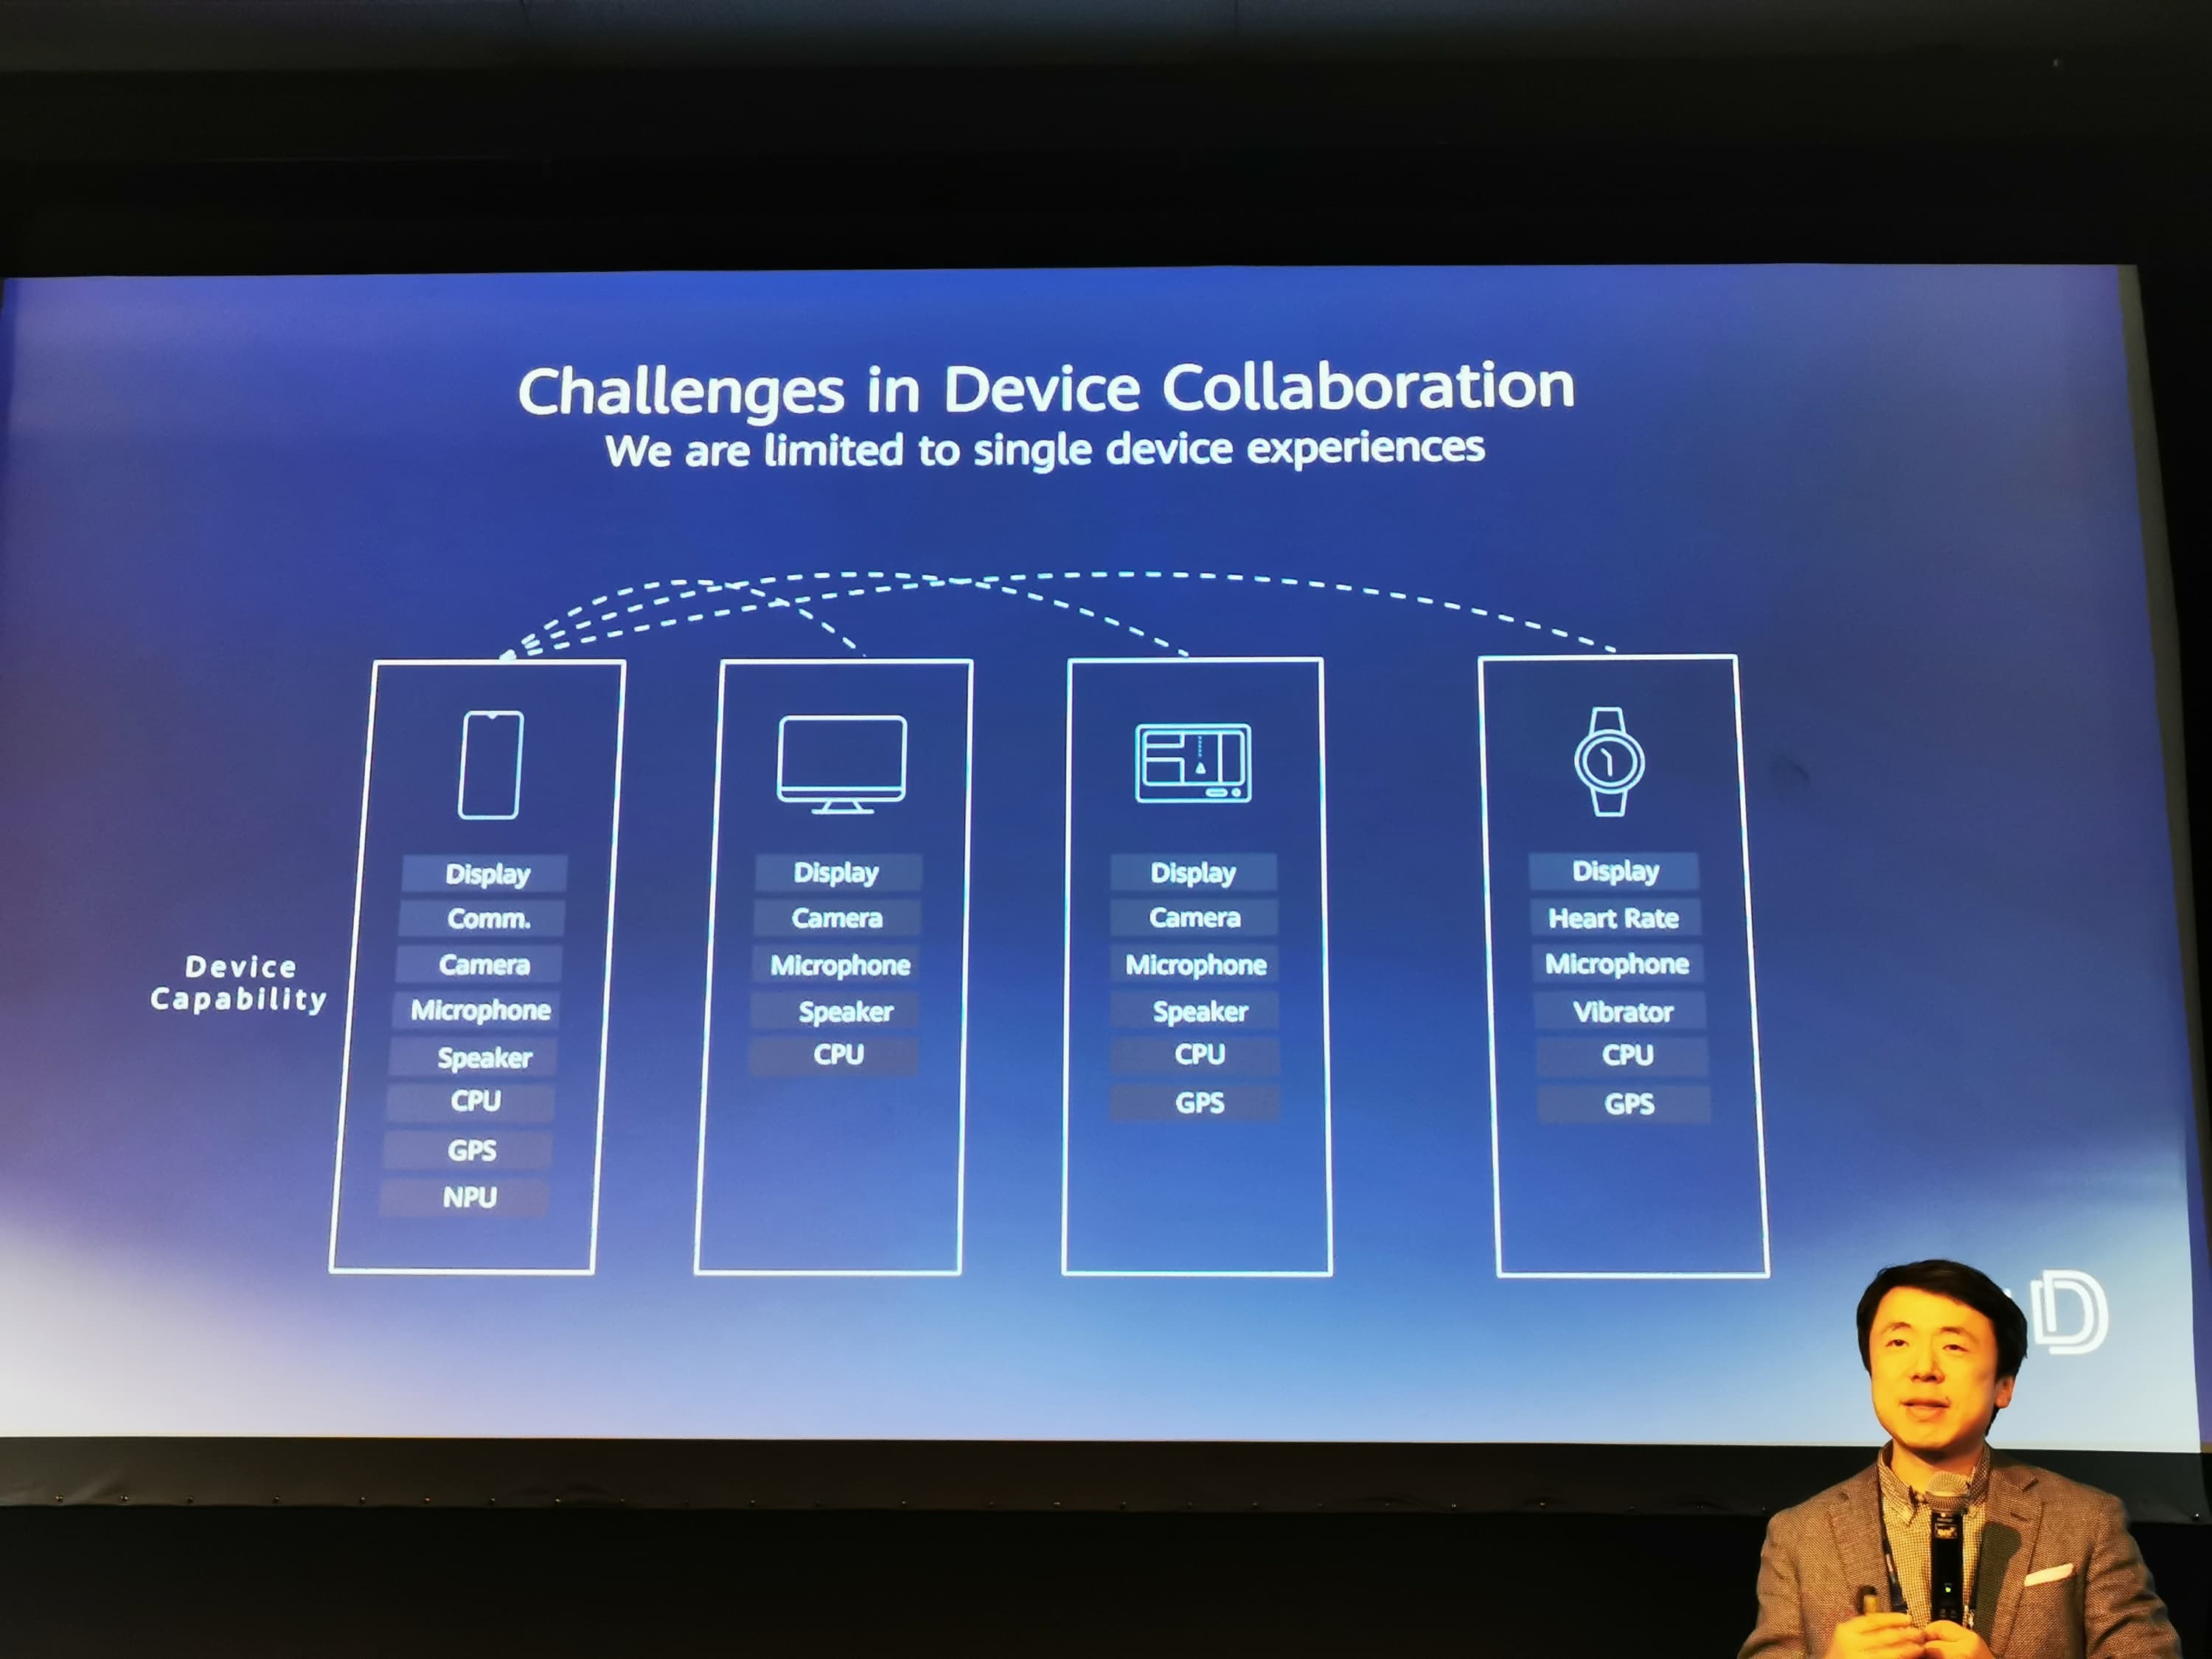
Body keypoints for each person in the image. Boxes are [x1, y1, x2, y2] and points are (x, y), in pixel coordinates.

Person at [1740, 1259, 2177, 1659]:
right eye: (1898, 1341)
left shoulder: (2086, 1521)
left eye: (1953, 1346)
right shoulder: (1800, 1535)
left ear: (2004, 1386)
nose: (1924, 1368)